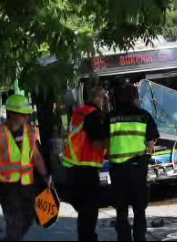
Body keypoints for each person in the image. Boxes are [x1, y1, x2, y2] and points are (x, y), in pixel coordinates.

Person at [0, 95, 49, 241]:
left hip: (26, 184)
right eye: (22, 114)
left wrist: (45, 176)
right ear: (11, 114)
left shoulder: (30, 132)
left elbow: (36, 157)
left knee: (30, 217)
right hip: (5, 187)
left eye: (26, 114)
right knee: (15, 223)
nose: (26, 117)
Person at [107, 84, 159, 241]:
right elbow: (151, 141)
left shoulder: (110, 117)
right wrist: (146, 155)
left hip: (117, 169)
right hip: (138, 168)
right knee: (139, 209)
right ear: (136, 97)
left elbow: (104, 142)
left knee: (121, 210)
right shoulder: (144, 116)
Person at [64, 86, 108, 241]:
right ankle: (88, 238)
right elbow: (97, 143)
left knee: (83, 209)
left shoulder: (79, 112)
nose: (104, 101)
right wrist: (108, 147)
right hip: (87, 169)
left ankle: (85, 236)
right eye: (103, 98)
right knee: (90, 209)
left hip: (74, 166)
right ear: (97, 98)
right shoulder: (94, 116)